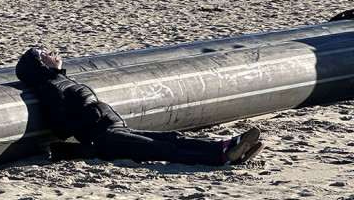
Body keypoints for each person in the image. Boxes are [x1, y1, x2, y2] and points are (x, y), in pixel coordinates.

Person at [15, 47, 264, 166]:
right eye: (44, 52)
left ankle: (229, 147)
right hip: (104, 138)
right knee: (162, 148)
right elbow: (60, 128)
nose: (53, 52)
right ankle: (221, 158)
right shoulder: (51, 89)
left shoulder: (61, 81)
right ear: (40, 64)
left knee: (172, 137)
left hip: (116, 130)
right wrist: (92, 114)